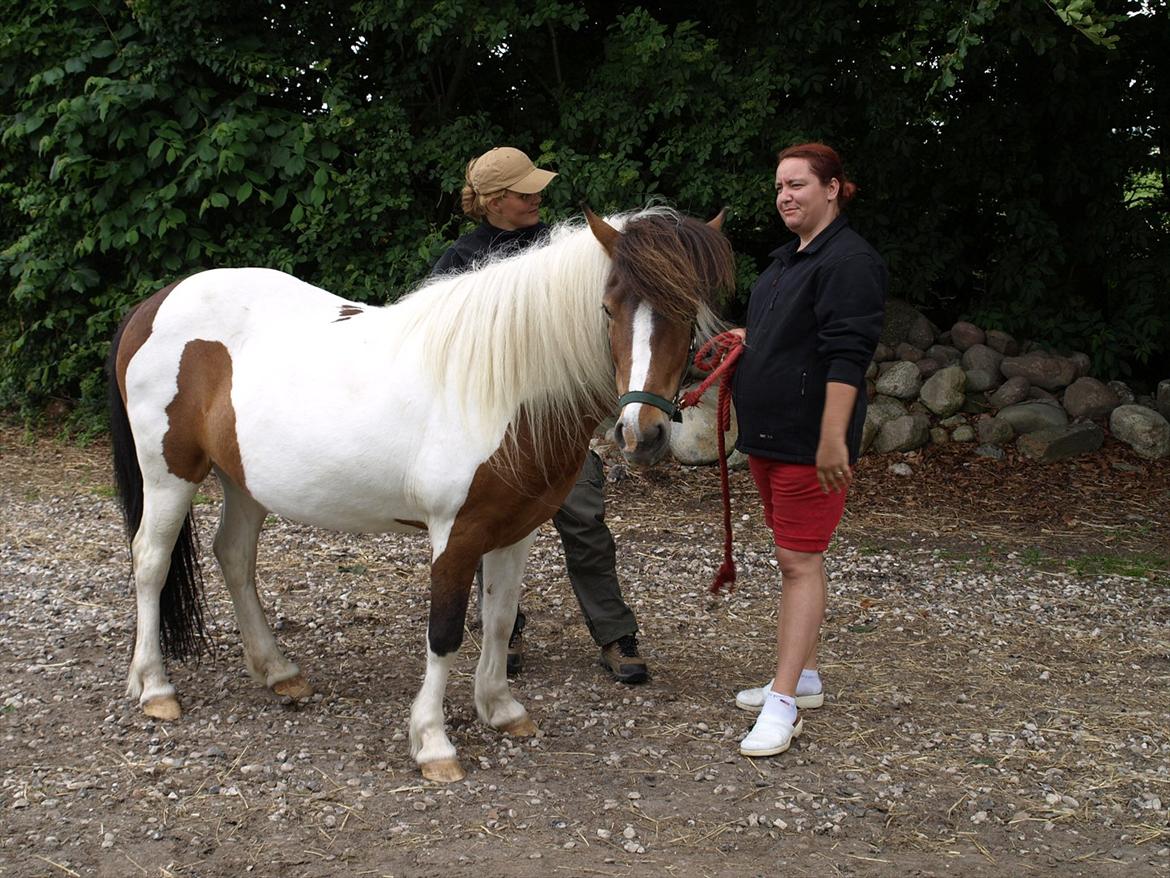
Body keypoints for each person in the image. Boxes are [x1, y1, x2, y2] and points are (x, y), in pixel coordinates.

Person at [429, 146, 649, 684]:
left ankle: (615, 634)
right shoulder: (460, 261)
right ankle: (507, 628)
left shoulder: (565, 249)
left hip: (558, 425)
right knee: (487, 530)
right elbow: (434, 342)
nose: (538, 198)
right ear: (494, 201)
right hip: (493, 430)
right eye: (526, 192)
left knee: (584, 520)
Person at [730, 142, 886, 757]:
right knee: (794, 558)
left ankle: (784, 702)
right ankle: (807, 678)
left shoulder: (849, 262)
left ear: (832, 188)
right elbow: (786, 338)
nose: (785, 197)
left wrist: (831, 438)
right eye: (779, 188)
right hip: (769, 438)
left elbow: (849, 355)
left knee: (800, 564)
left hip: (806, 443)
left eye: (797, 184)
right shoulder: (785, 263)